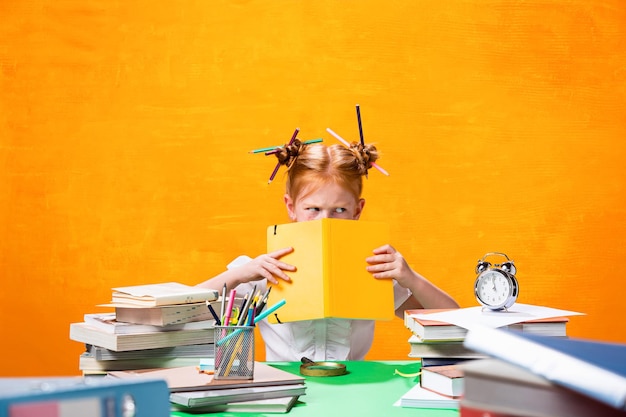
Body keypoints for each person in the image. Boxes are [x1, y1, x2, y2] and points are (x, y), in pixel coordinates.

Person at [197, 138, 459, 361]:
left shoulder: (372, 268)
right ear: (291, 207)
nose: (325, 220)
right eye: (313, 209)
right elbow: (180, 311)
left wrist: (411, 278)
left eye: (340, 210)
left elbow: (454, 323)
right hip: (285, 387)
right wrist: (240, 274)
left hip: (352, 386)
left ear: (358, 210)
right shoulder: (264, 271)